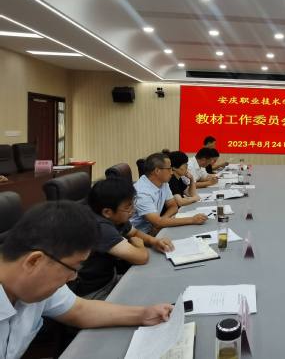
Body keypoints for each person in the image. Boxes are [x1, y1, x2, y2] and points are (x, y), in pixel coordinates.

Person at [0, 201, 173, 359]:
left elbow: (80, 310)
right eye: (73, 268)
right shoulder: (37, 280)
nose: (73, 277)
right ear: (34, 261)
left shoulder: (34, 281)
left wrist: (144, 314)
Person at [74, 178, 174, 300]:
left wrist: (154, 241)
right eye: (128, 207)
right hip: (94, 292)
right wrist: (140, 245)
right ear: (107, 212)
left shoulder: (115, 216)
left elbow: (134, 232)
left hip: (111, 278)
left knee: (160, 282)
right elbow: (141, 258)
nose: (133, 210)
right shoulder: (100, 227)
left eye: (132, 204)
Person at [131, 153, 208, 234]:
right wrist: (192, 220)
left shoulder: (163, 182)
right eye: (169, 169)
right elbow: (157, 223)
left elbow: (173, 206)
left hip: (155, 228)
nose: (171, 172)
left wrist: (162, 220)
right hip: (139, 234)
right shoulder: (142, 192)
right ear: (157, 171)